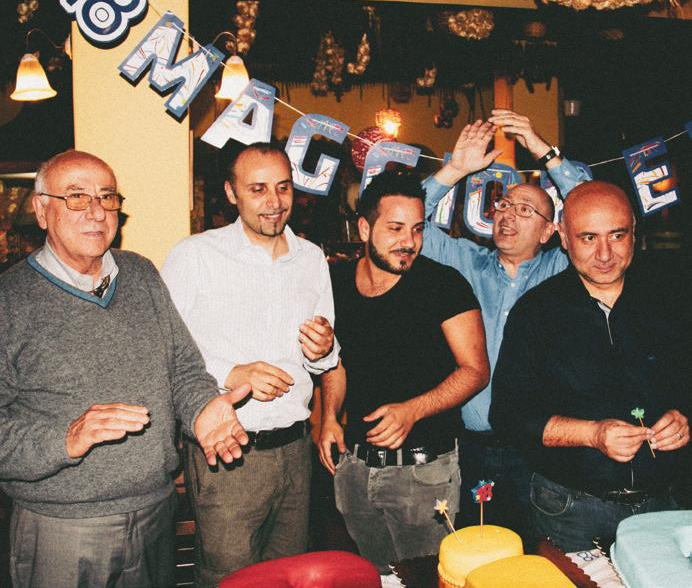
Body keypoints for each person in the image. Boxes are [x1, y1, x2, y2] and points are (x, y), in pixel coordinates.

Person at [0, 149, 250, 588]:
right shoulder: (9, 299)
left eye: (107, 197)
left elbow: (183, 368)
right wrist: (65, 439)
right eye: (76, 197)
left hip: (156, 513)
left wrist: (201, 409)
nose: (97, 211)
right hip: (62, 527)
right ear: (41, 210)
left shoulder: (141, 274)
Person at [161, 143, 339, 587]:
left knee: (290, 577)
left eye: (283, 187)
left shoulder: (311, 258)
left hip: (296, 449)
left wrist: (324, 348)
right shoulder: (195, 255)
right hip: (229, 454)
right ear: (231, 193)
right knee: (230, 580)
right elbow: (163, 346)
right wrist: (230, 372)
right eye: (257, 189)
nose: (274, 201)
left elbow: (325, 355)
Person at [490, 181, 690, 552]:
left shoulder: (672, 297)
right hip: (570, 511)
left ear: (634, 232)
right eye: (588, 238)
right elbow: (508, 415)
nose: (605, 254)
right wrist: (592, 434)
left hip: (667, 503)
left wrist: (685, 418)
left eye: (617, 235)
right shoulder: (535, 313)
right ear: (564, 238)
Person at [421, 110, 589, 541]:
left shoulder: (561, 271)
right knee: (478, 550)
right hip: (473, 448)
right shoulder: (466, 261)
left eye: (526, 210)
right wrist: (455, 169)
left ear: (550, 232)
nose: (508, 215)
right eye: (504, 205)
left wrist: (544, 152)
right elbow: (403, 224)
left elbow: (593, 211)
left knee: (540, 555)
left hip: (541, 452)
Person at [318, 172, 489, 582]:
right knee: (374, 578)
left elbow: (476, 370)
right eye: (395, 229)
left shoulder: (443, 285)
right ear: (365, 228)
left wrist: (412, 410)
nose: (409, 241)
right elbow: (336, 362)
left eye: (416, 229)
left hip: (424, 474)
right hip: (355, 470)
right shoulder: (335, 284)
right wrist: (329, 417)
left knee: (427, 579)